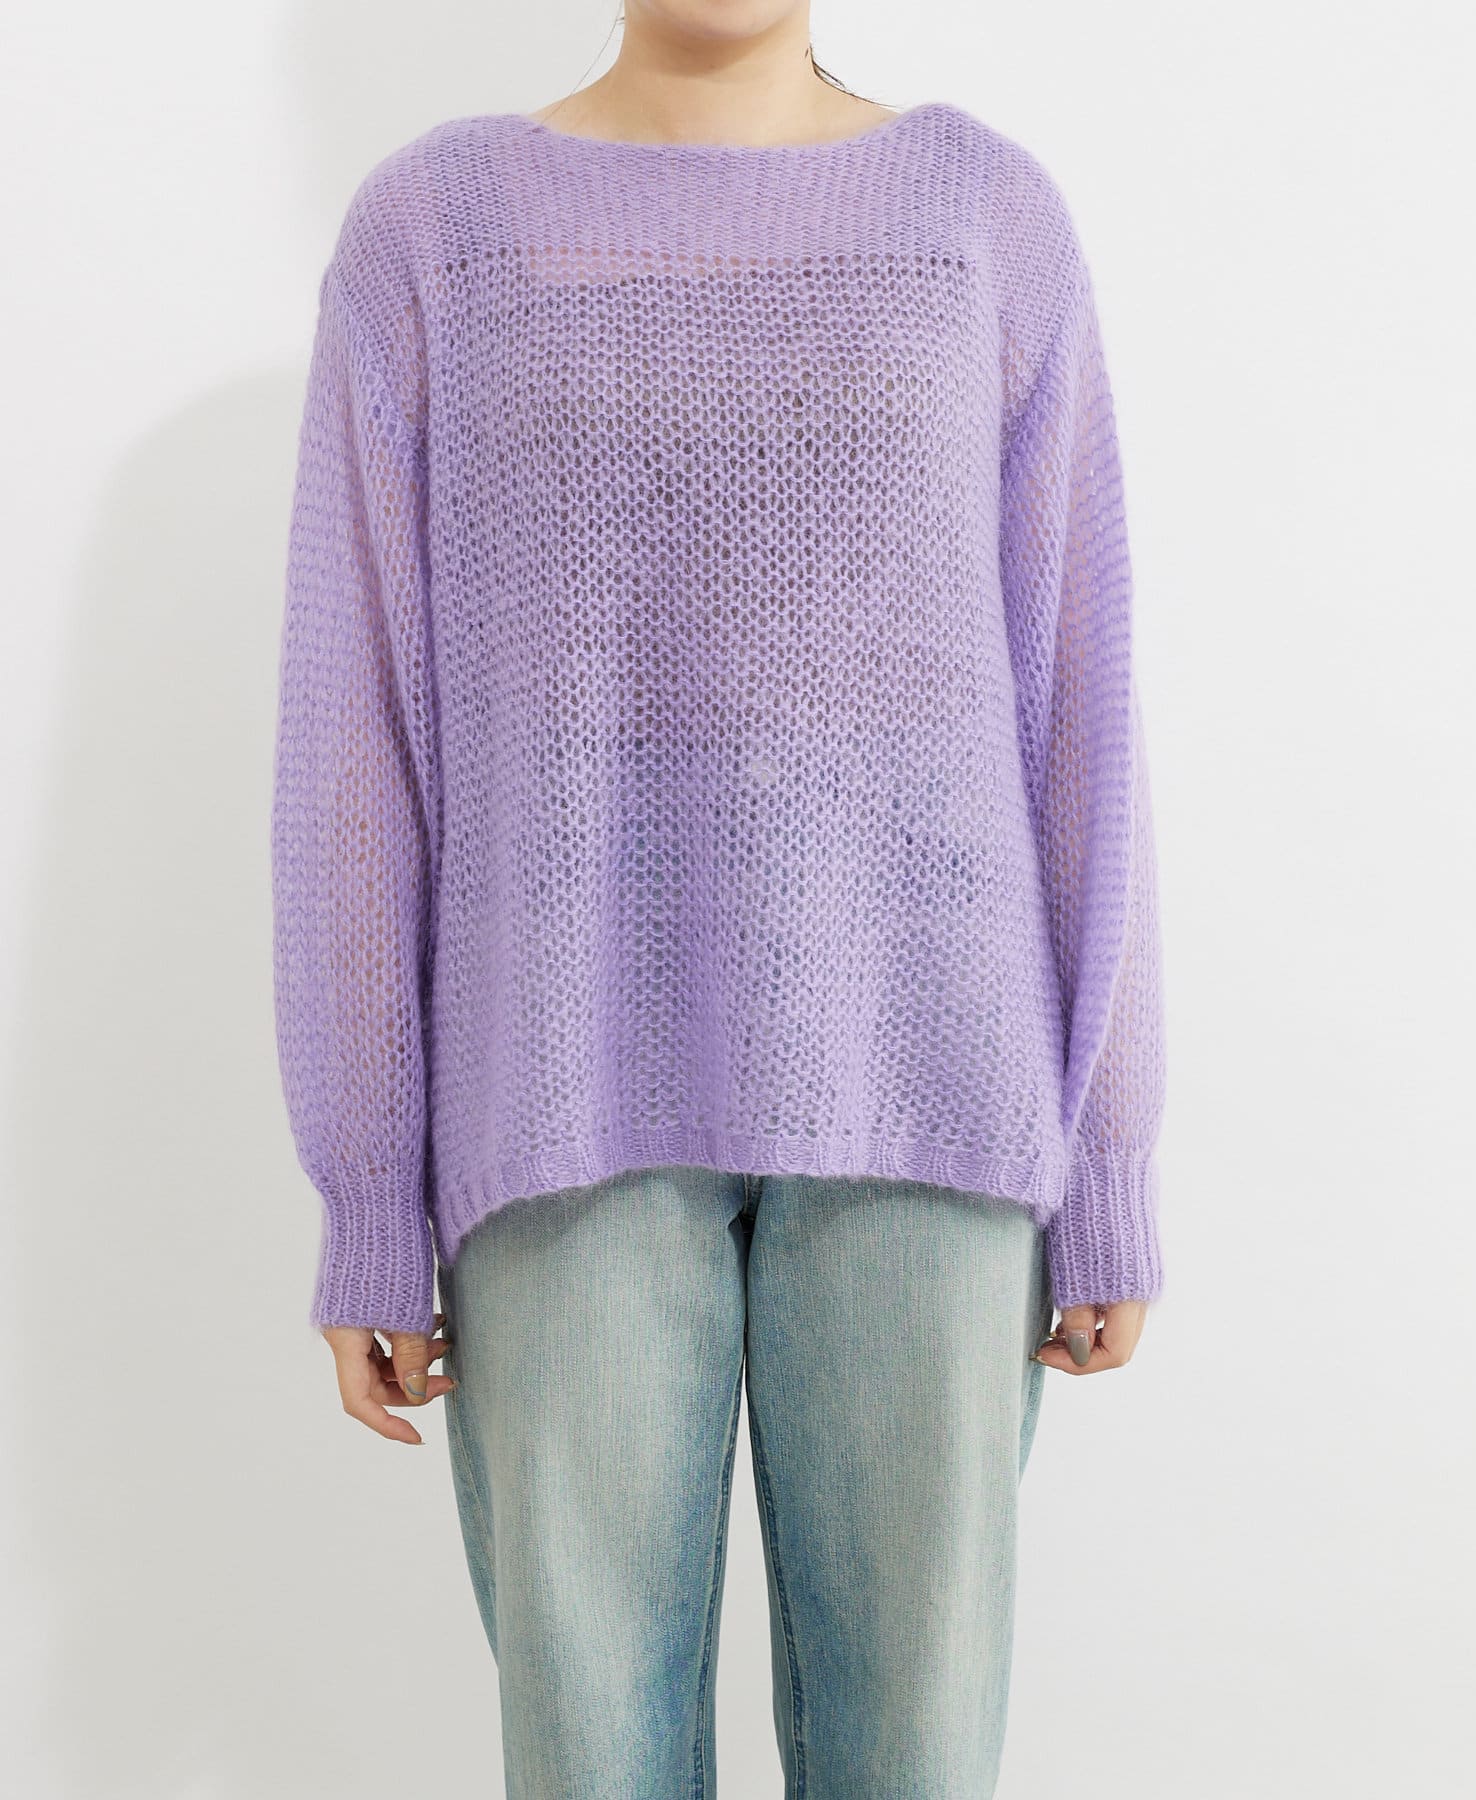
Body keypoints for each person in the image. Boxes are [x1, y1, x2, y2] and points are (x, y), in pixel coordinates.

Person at [269, 6, 1168, 1793]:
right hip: (558, 1097)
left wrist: (1115, 1155)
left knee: (916, 1750)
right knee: (590, 1748)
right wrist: (366, 1183)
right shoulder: (438, 230)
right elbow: (356, 728)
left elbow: (1077, 694)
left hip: (927, 1088)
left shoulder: (981, 214)